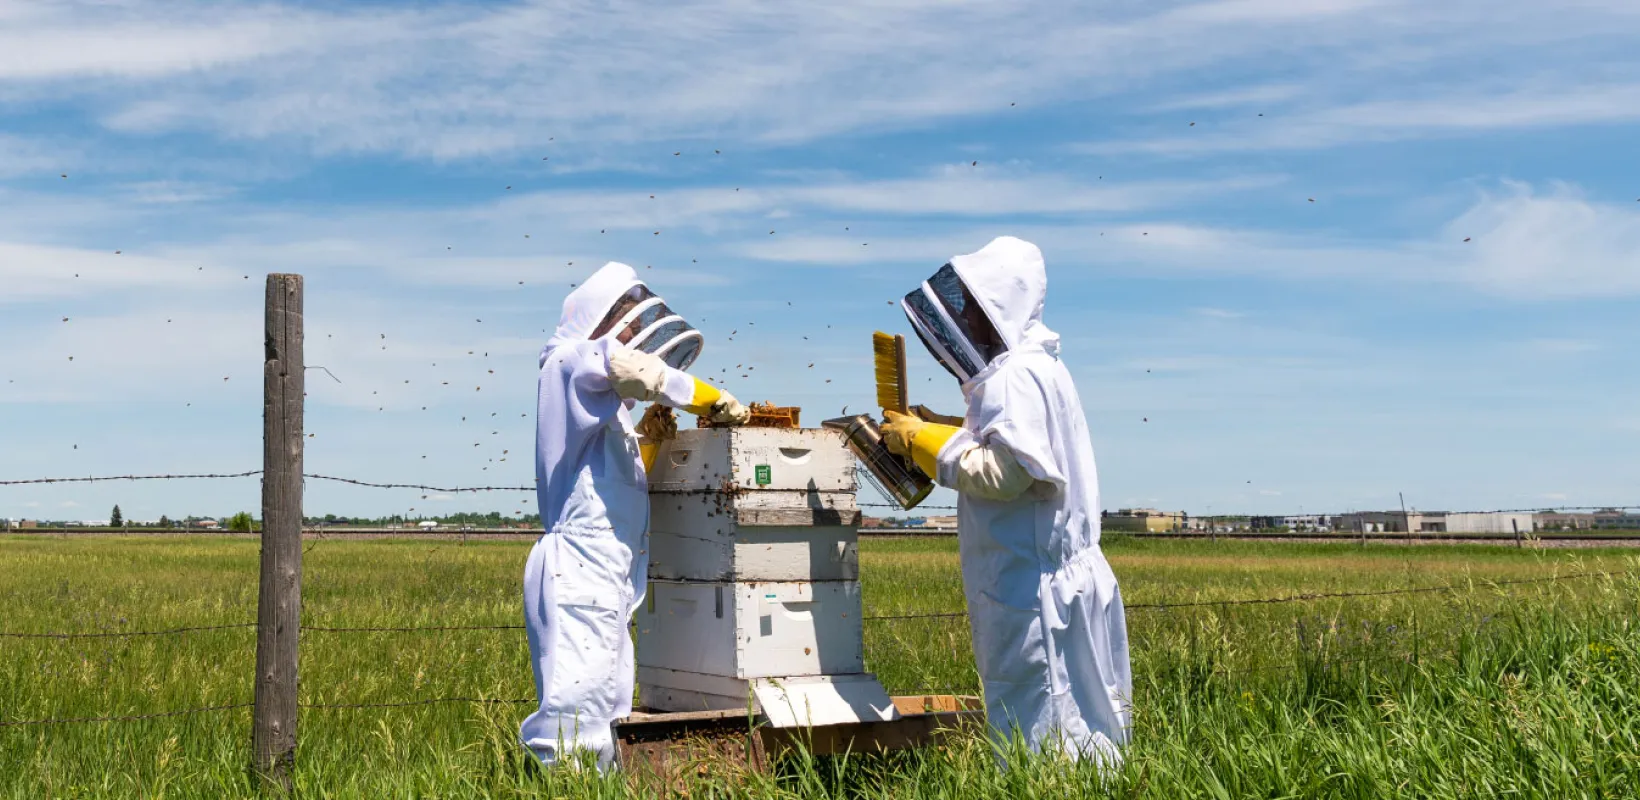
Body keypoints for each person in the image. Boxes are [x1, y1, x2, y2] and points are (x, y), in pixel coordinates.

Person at [881, 236, 1132, 765]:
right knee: (1087, 715)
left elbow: (1005, 472)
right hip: (1057, 573)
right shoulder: (1042, 368)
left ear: (998, 308)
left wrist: (923, 441)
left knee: (1039, 719)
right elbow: (1021, 448)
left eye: (972, 308)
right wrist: (944, 426)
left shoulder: (1015, 375)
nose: (966, 322)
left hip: (1031, 583)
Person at [522, 261, 750, 768]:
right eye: (624, 323)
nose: (631, 337)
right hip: (579, 564)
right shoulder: (567, 360)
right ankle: (560, 784)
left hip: (603, 569)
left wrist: (648, 443)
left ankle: (596, 783)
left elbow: (604, 487)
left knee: (606, 702)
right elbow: (634, 369)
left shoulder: (604, 410)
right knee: (573, 706)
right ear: (601, 318)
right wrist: (709, 399)